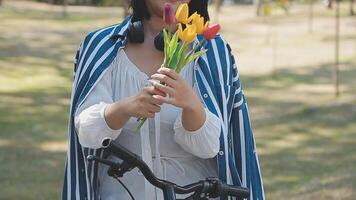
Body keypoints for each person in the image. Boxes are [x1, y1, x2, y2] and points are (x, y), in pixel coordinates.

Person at [61, 0, 264, 199]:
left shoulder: (215, 52)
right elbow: (87, 133)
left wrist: (191, 106)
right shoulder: (100, 47)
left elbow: (212, 145)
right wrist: (126, 107)